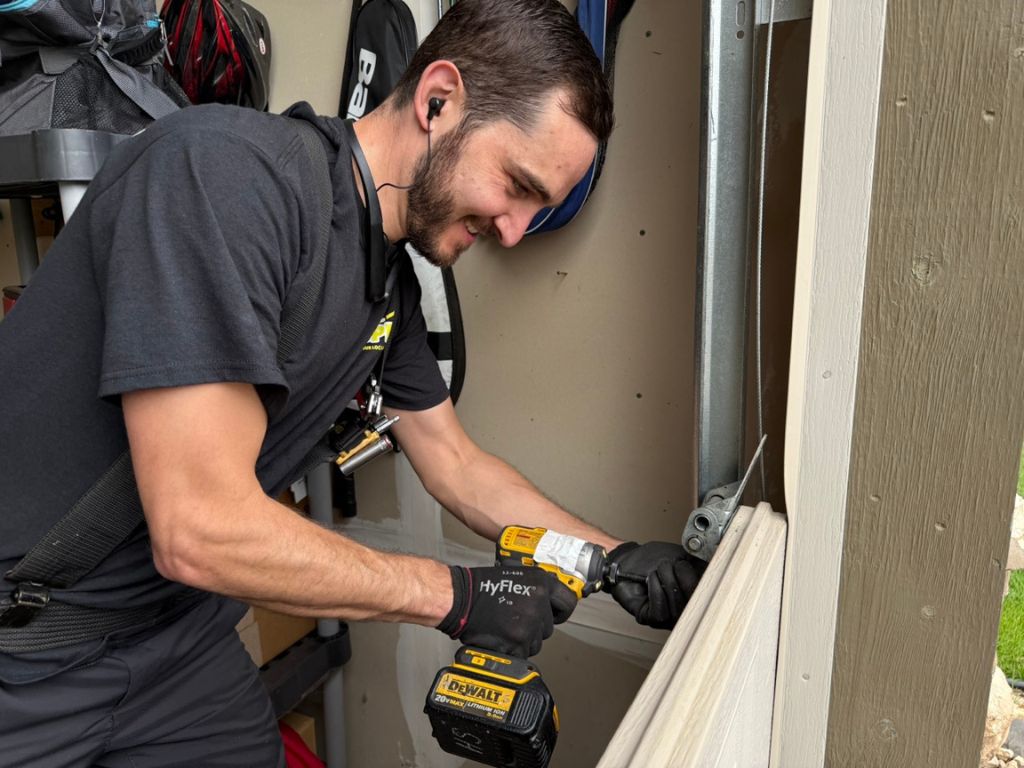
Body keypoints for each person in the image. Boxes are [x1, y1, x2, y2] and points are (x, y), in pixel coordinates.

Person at [0, 0, 705, 765]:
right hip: (29, 653)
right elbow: (199, 528)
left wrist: (617, 558)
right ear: (439, 99)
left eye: (539, 208)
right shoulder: (224, 177)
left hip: (178, 639)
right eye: (518, 185)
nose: (513, 230)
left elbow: (459, 468)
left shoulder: (386, 289)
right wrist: (457, 597)